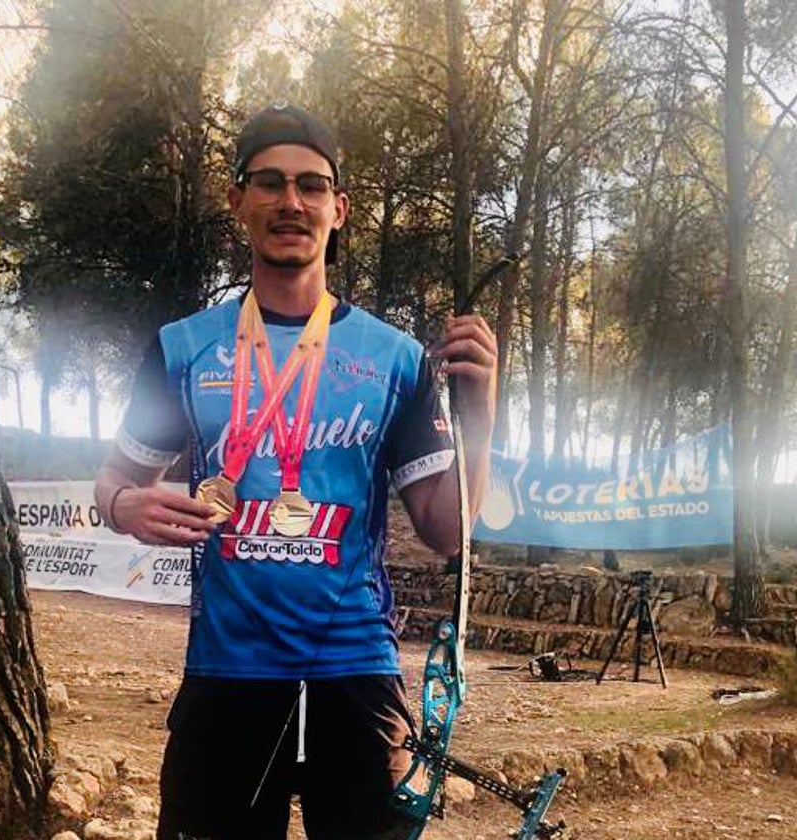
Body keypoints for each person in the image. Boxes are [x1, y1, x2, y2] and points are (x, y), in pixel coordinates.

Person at [93, 103, 497, 840]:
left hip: (354, 670)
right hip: (227, 674)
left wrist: (482, 412)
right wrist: (126, 507)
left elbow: (446, 532)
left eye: (311, 186)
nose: (291, 202)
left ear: (338, 210)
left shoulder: (396, 360)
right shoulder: (184, 348)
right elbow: (113, 480)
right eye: (271, 183)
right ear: (237, 200)